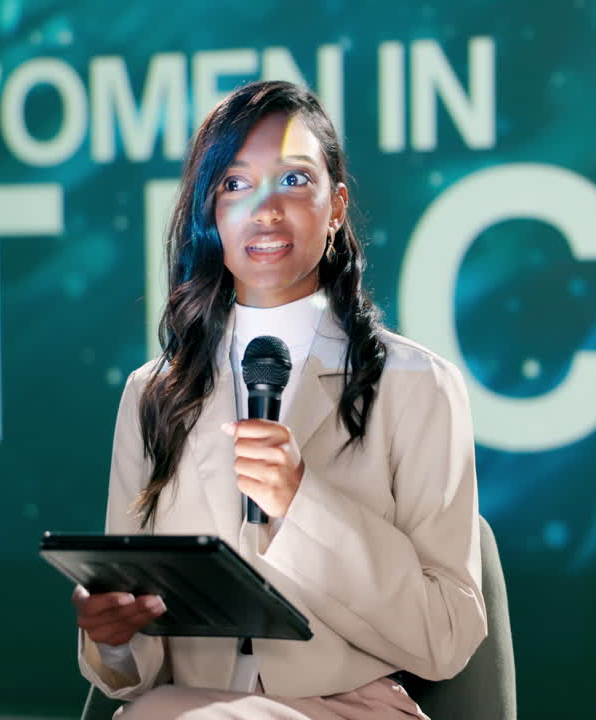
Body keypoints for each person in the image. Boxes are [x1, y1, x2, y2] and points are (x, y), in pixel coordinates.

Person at [71, 80, 487, 718]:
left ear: (337, 206)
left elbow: (448, 637)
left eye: (293, 180)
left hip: (350, 707)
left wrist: (302, 502)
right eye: (236, 184)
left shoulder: (416, 384)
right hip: (185, 706)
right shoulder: (154, 393)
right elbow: (135, 672)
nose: (265, 211)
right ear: (211, 212)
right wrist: (115, 637)